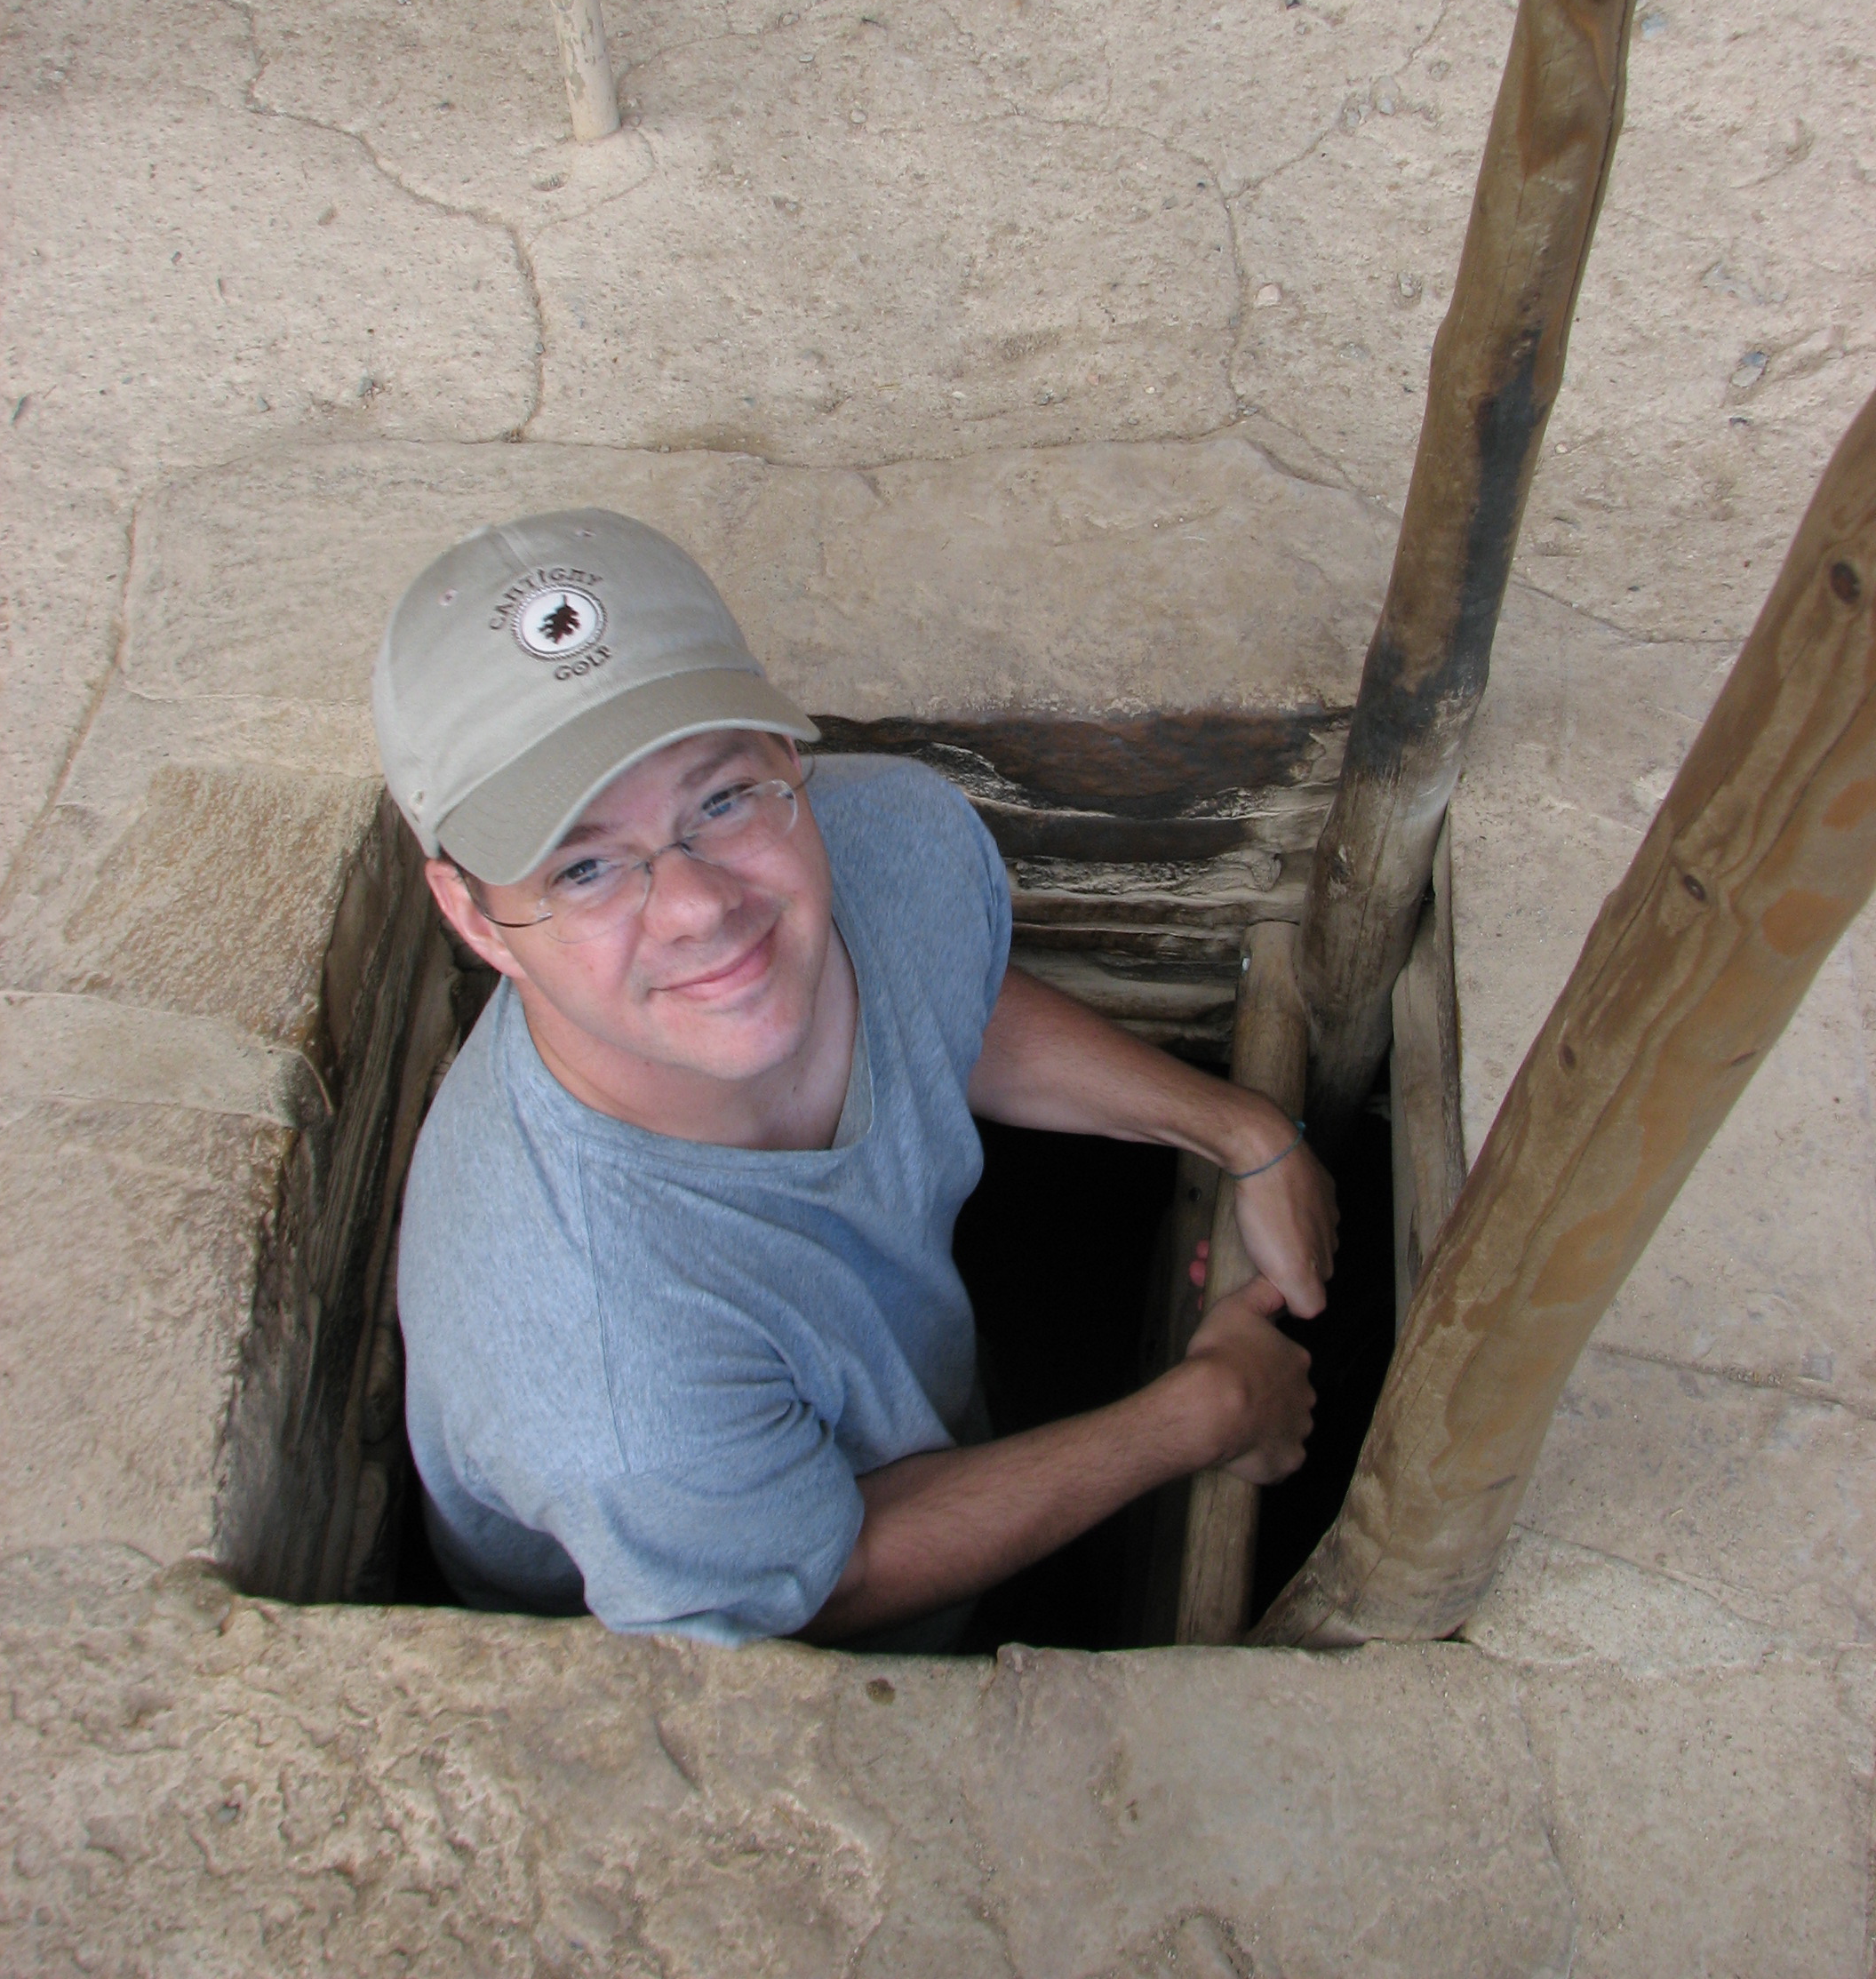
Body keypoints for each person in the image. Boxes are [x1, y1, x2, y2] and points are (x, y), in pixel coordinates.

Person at [374, 507, 1336, 1647]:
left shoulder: (884, 836)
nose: (699, 907)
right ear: (472, 916)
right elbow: (825, 1580)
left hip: (919, 1411)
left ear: (789, 755)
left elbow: (939, 1000)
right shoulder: (605, 1374)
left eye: (720, 798)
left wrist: (1238, 1130)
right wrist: (1200, 1414)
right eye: (583, 867)